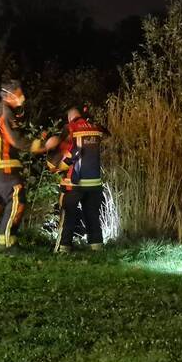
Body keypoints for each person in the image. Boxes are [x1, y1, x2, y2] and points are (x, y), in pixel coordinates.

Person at [0, 80, 46, 248]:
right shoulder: (5, 112)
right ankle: (7, 241)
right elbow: (16, 140)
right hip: (4, 163)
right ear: (8, 95)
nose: (22, 98)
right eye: (19, 95)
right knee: (17, 197)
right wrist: (40, 146)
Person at [56, 105, 109, 253]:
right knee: (92, 215)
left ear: (69, 118)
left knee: (70, 215)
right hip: (95, 182)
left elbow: (73, 151)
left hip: (77, 182)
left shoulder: (72, 127)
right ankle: (97, 247)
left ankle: (64, 248)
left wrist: (62, 165)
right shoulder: (95, 127)